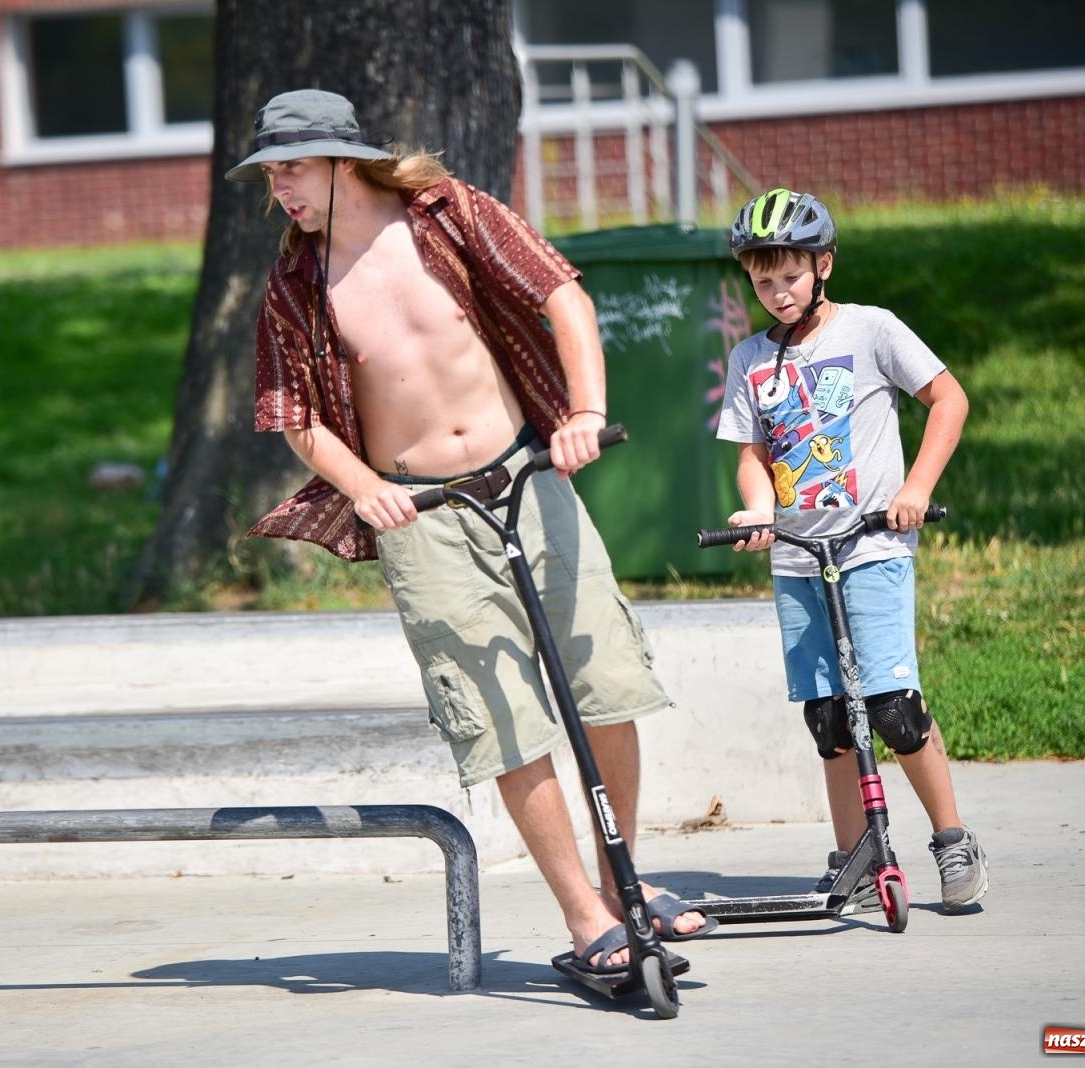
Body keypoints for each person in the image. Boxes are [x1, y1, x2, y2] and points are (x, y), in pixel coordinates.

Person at [227, 88, 715, 973]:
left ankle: (626, 877)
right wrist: (364, 484)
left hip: (530, 476)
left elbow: (562, 296)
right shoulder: (296, 285)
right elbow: (295, 416)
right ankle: (585, 919)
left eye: (293, 169)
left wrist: (585, 411)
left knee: (603, 683)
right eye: (271, 175)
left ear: (344, 159)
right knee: (501, 719)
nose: (282, 191)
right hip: (424, 514)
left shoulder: (448, 217)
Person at [714, 187, 988, 913]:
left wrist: (918, 487)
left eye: (790, 276)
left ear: (823, 265)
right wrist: (759, 506)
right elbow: (750, 452)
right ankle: (857, 859)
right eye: (762, 278)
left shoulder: (871, 330)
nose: (776, 291)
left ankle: (952, 838)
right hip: (798, 558)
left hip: (872, 548)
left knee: (893, 709)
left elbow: (949, 400)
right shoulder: (750, 360)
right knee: (830, 720)